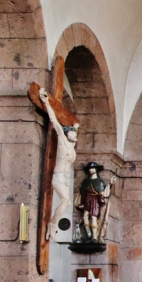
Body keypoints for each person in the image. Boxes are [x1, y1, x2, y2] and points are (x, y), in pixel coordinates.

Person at [39, 88, 79, 240]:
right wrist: (46, 102)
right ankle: (52, 225)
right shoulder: (62, 140)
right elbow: (55, 122)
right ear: (66, 133)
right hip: (59, 176)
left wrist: (75, 126)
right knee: (66, 201)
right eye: (72, 133)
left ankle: (53, 225)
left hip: (66, 177)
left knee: (66, 202)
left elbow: (74, 126)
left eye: (75, 134)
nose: (74, 135)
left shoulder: (72, 146)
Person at [78, 162, 116, 242]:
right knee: (85, 216)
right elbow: (82, 193)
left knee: (93, 217)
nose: (91, 170)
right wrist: (82, 203)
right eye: (89, 168)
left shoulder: (100, 181)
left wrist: (110, 184)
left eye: (92, 168)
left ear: (96, 169)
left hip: (95, 199)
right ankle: (89, 234)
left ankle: (94, 236)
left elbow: (104, 192)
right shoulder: (86, 181)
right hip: (87, 199)